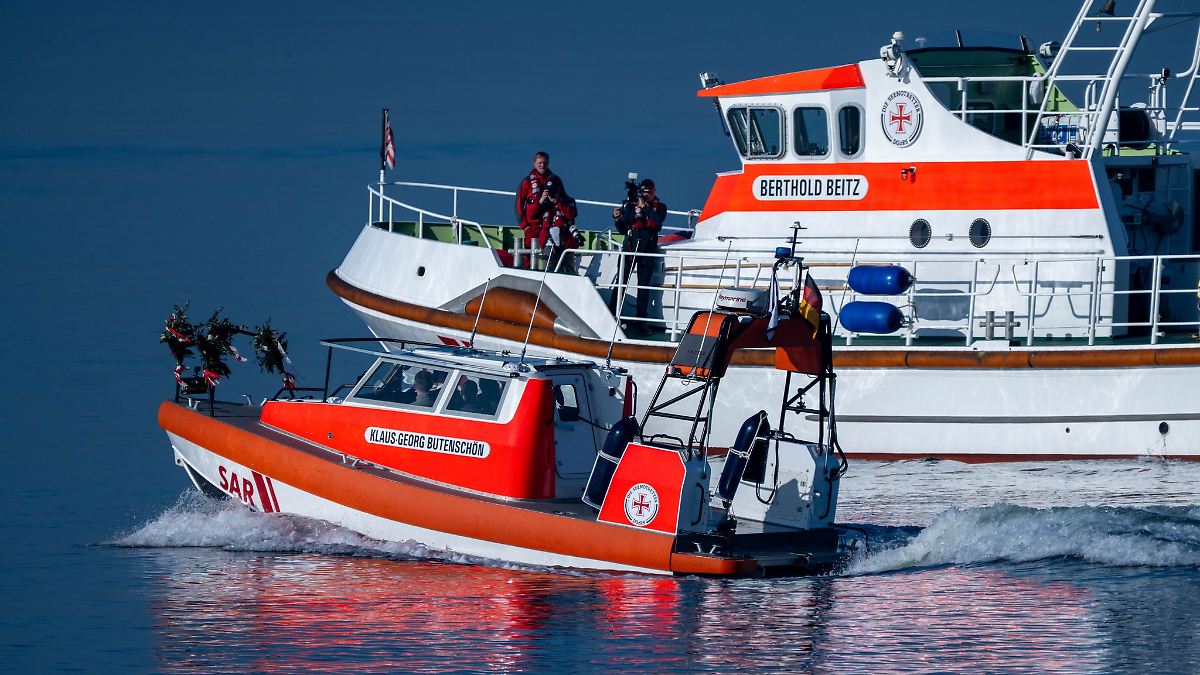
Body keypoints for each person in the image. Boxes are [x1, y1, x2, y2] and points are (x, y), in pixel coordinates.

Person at [609, 178, 666, 334]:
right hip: (630, 247)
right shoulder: (631, 206)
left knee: (643, 286)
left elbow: (657, 222)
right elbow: (622, 227)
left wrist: (645, 207)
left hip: (647, 249)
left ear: (653, 191)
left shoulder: (660, 207)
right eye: (643, 192)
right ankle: (611, 314)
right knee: (621, 281)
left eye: (648, 192)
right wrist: (617, 216)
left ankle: (641, 321)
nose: (645, 195)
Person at [516, 151, 570, 269]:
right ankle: (528, 271)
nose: (542, 165)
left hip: (550, 222)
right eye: (540, 163)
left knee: (553, 249)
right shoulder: (526, 182)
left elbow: (564, 198)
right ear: (534, 163)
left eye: (545, 163)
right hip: (532, 223)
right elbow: (519, 204)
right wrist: (524, 225)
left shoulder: (555, 180)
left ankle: (552, 271)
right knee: (529, 250)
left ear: (548, 163)